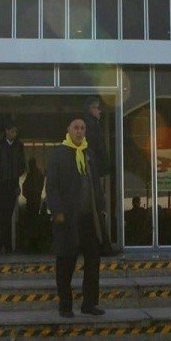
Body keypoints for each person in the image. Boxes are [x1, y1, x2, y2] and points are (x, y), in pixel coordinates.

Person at [45, 118, 105, 318]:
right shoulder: (60, 154)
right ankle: (65, 306)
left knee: (93, 261)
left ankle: (89, 304)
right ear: (68, 130)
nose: (80, 131)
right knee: (66, 263)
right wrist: (58, 212)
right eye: (76, 128)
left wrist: (101, 209)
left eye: (82, 128)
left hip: (88, 218)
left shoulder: (89, 154)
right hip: (67, 219)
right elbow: (52, 186)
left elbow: (96, 184)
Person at [85, 97, 119, 256]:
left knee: (97, 209)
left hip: (96, 171)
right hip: (94, 172)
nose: (100, 111)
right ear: (91, 109)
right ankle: (102, 245)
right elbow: (98, 149)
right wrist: (102, 169)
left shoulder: (93, 125)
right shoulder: (91, 126)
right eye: (97, 108)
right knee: (97, 208)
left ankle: (102, 244)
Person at [0, 119, 25, 254]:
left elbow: (22, 163)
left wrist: (16, 173)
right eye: (12, 131)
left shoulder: (19, 145)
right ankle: (3, 245)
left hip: (13, 184)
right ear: (7, 131)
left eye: (15, 132)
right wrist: (0, 172)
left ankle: (3, 245)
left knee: (8, 215)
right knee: (2, 215)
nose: (14, 134)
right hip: (2, 184)